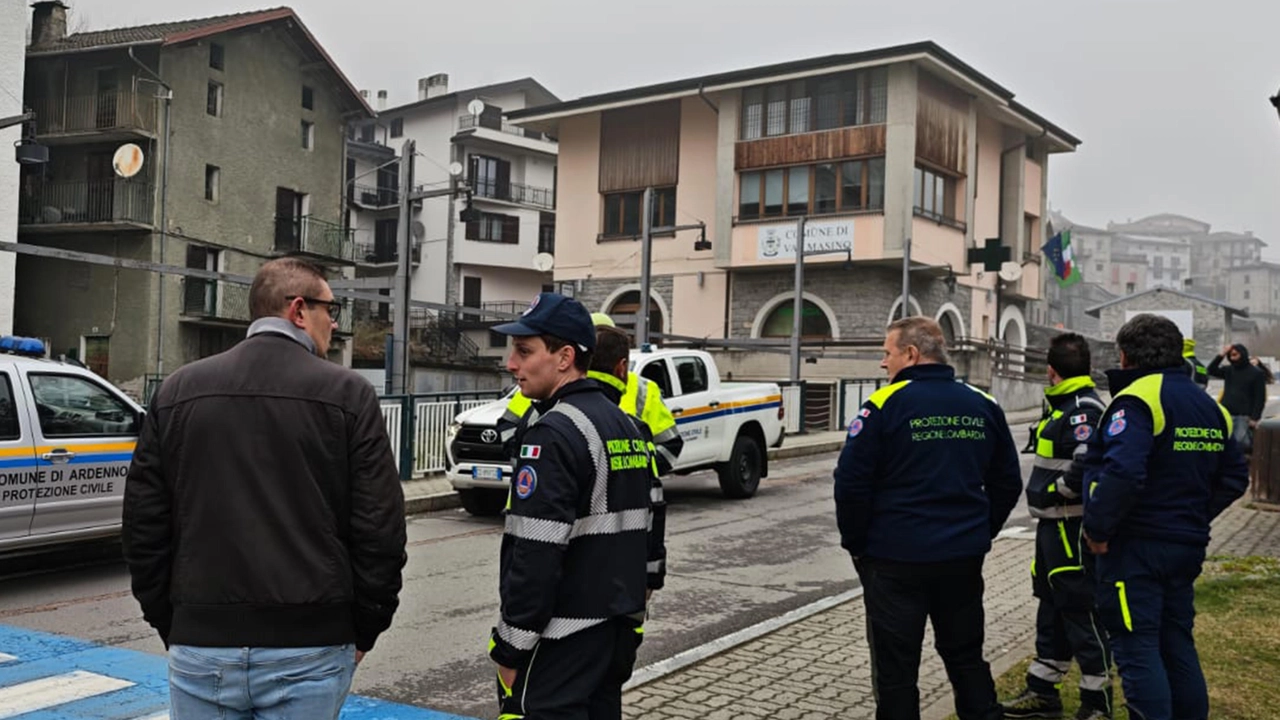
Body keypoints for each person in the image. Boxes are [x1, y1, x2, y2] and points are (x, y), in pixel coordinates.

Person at [122, 257, 407, 720]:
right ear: (298, 310)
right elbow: (380, 529)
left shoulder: (178, 391)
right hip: (311, 640)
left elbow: (143, 525)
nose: (334, 324)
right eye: (329, 310)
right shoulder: (348, 395)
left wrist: (173, 621)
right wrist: (364, 627)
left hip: (202, 639)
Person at [833, 316, 1023, 720]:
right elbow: (1007, 482)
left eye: (887, 354)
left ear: (912, 354)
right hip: (962, 559)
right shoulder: (983, 403)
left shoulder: (882, 406)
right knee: (967, 658)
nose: (884, 364)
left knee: (897, 671)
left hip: (894, 560)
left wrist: (859, 546)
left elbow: (850, 484)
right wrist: (980, 531)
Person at [487, 292, 654, 720]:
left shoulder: (553, 433)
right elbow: (650, 529)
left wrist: (512, 647)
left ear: (564, 358)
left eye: (525, 351)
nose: (512, 363)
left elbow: (536, 551)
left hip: (561, 638)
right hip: (613, 630)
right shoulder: (629, 426)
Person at [1082, 314, 1250, 720]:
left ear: (1125, 356)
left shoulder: (1138, 398)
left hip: (1135, 548)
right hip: (1184, 543)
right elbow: (1234, 477)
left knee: (1137, 649)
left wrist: (1099, 529)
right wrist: (1193, 515)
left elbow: (1123, 471)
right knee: (1176, 644)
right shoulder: (1209, 406)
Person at [1001, 333, 1113, 720]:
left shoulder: (1083, 409)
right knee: (1051, 607)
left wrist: (1057, 491)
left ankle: (1097, 702)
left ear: (1050, 371)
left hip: (1069, 528)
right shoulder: (1065, 405)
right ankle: (1043, 692)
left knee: (1080, 612)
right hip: (1051, 529)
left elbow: (1089, 461)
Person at [497, 312, 683, 475]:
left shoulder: (546, 383)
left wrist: (530, 464)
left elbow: (506, 427)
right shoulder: (642, 389)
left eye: (524, 351)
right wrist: (635, 471)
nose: (511, 365)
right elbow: (671, 445)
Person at [590, 324, 668, 598]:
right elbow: (653, 507)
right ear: (621, 367)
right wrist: (652, 575)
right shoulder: (635, 427)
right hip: (620, 580)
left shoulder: (552, 418)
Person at [1206, 342, 1266, 452]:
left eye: (1235, 354)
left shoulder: (1256, 373)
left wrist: (1255, 417)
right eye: (1231, 355)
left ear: (1242, 354)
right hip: (1226, 414)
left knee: (1241, 445)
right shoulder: (1229, 370)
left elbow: (1259, 398)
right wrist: (1222, 354)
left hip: (1243, 416)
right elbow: (1211, 370)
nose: (1233, 358)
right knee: (1223, 444)